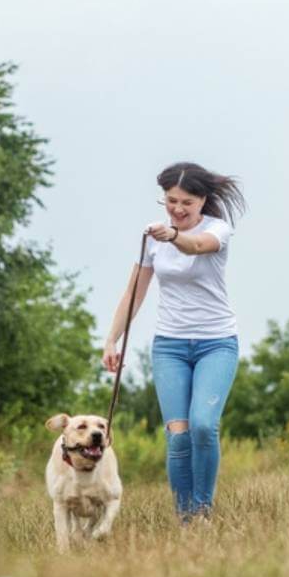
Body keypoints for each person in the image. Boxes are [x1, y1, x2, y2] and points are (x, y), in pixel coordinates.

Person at [102, 161, 246, 521]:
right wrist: (111, 340)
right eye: (170, 201)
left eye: (186, 202)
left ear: (203, 201)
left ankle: (203, 509)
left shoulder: (218, 229)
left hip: (216, 343)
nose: (177, 209)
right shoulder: (152, 239)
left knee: (202, 425)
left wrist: (173, 237)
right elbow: (134, 292)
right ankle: (186, 519)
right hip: (170, 346)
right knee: (178, 434)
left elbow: (197, 246)